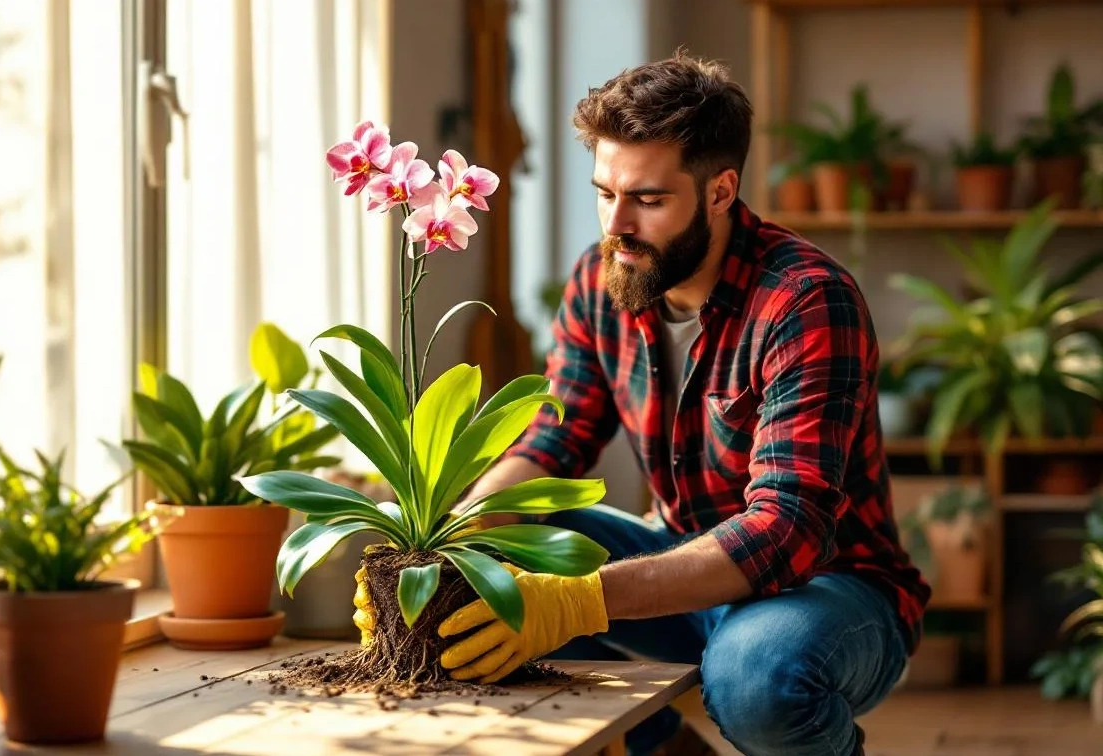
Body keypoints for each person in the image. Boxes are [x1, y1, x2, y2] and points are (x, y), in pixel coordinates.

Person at [353, 52, 929, 756]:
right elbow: (550, 445)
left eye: (648, 201)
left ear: (720, 192)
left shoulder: (806, 300)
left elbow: (786, 531)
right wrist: (444, 550)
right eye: (605, 192)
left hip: (831, 592)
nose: (617, 225)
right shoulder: (605, 282)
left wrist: (577, 600)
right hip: (684, 564)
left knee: (756, 679)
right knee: (492, 553)